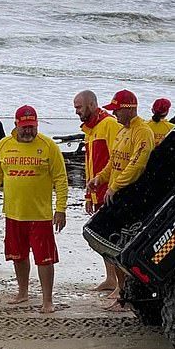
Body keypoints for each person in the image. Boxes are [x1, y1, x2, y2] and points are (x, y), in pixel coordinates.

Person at [0, 105, 68, 313]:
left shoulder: (48, 146)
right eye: (25, 127)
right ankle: (23, 292)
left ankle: (47, 300)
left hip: (40, 216)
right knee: (18, 255)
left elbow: (60, 179)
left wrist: (61, 209)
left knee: (45, 259)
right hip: (13, 213)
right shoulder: (4, 145)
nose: (29, 131)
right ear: (16, 125)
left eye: (32, 126)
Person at [87, 90, 155, 310]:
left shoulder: (142, 131)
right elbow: (113, 161)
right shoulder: (122, 131)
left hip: (131, 197)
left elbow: (137, 165)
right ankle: (120, 289)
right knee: (112, 243)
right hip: (116, 194)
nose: (113, 113)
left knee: (122, 246)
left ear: (129, 109)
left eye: (116, 109)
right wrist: (100, 179)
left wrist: (115, 186)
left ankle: (125, 294)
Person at [73, 89, 121, 293]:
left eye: (79, 107)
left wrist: (112, 187)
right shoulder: (90, 129)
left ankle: (122, 285)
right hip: (96, 190)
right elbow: (89, 164)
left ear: (92, 105)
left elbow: (116, 160)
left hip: (110, 191)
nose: (76, 111)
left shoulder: (109, 124)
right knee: (102, 236)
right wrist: (88, 194)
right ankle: (110, 278)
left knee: (113, 238)